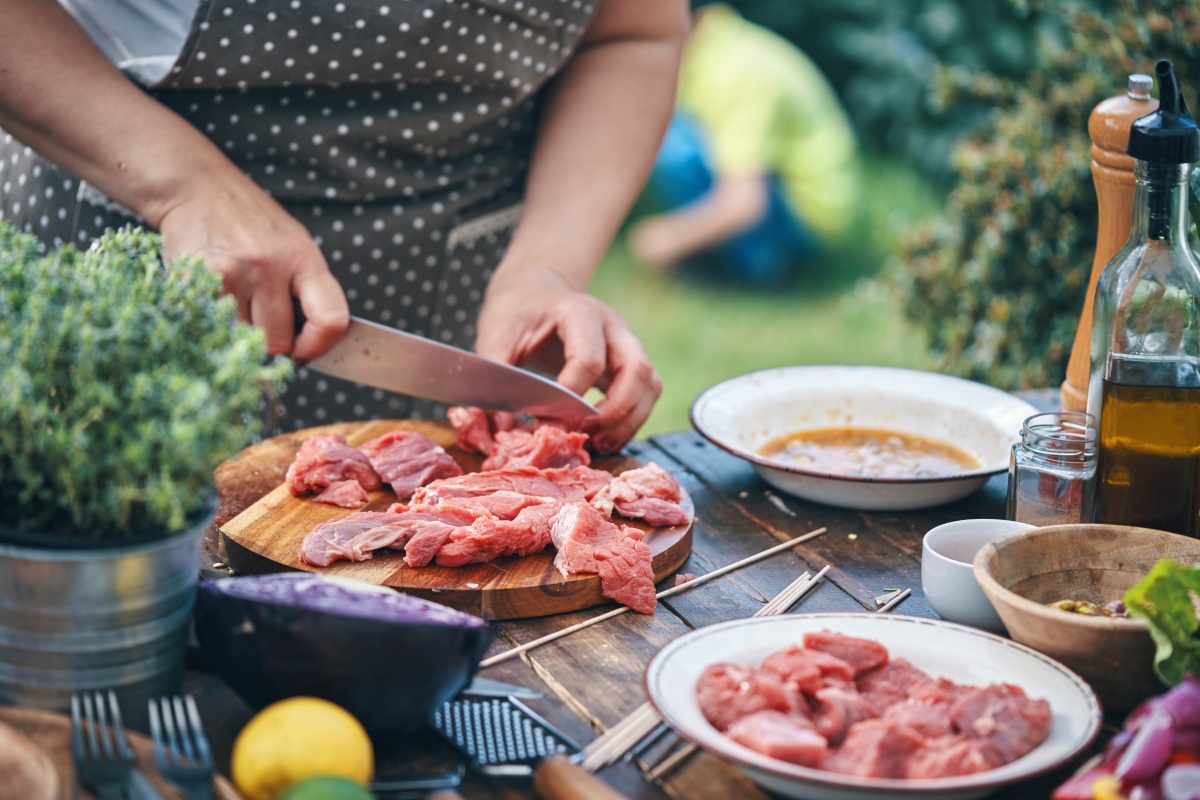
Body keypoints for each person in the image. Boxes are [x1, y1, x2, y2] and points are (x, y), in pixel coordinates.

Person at [0, 0, 690, 453]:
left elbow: (634, 31)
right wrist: (184, 186)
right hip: (128, 248)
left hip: (449, 295)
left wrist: (547, 268)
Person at [628, 2, 859, 287]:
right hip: (792, 196)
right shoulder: (715, 48)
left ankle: (761, 265)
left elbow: (746, 203)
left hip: (807, 220)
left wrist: (667, 238)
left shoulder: (736, 76)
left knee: (669, 140)